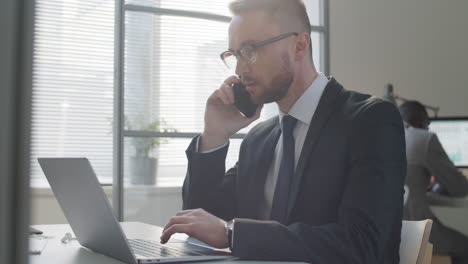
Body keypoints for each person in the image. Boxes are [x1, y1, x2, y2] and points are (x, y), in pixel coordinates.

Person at [160, 0, 407, 263]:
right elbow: (200, 222)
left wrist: (232, 234)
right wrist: (214, 137)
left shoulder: (370, 121)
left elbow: (364, 245)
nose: (239, 69)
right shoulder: (259, 139)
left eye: (250, 50)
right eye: (235, 54)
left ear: (299, 46)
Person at [399, 100, 468, 264]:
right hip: (413, 232)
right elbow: (460, 188)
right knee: (465, 247)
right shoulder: (424, 138)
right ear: (422, 123)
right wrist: (439, 184)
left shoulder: (380, 135)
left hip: (381, 234)